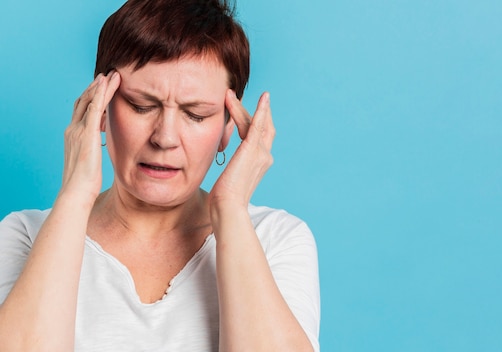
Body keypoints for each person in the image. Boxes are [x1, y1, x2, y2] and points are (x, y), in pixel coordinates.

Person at [0, 0, 320, 350]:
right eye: (141, 106)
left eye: (196, 114)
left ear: (228, 127)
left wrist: (229, 208)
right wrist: (75, 195)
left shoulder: (275, 239)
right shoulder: (25, 236)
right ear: (100, 107)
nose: (165, 138)